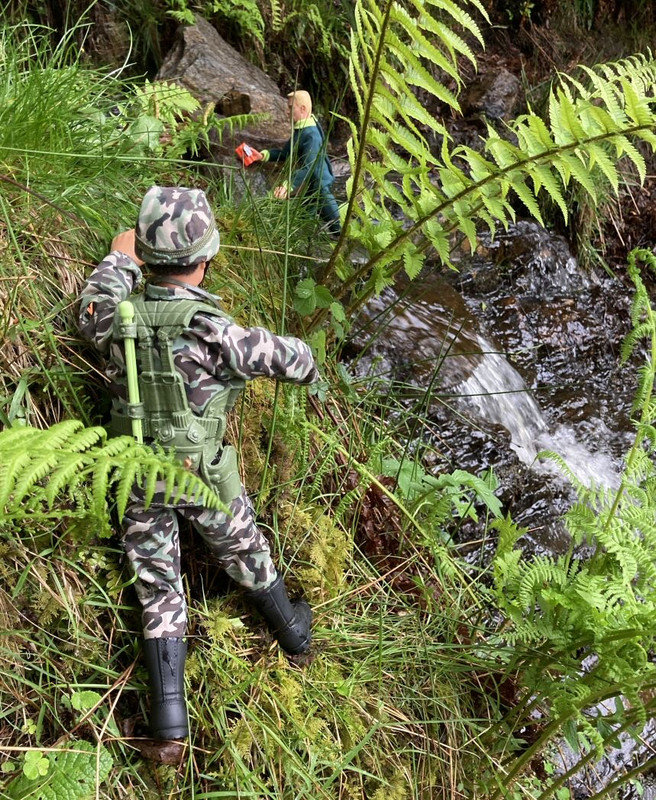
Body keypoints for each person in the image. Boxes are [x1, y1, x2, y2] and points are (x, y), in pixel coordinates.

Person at [77, 185, 319, 742]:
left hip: (137, 475)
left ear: (146, 255)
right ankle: (294, 633)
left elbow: (88, 312)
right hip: (205, 476)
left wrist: (119, 258)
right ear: (205, 259)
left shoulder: (118, 318)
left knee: (158, 585)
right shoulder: (217, 331)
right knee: (242, 546)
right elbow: (294, 360)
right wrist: (303, 356)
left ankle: (168, 722)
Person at [248, 90, 341, 235]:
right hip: (309, 187)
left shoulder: (311, 135)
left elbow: (308, 167)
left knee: (337, 225)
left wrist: (287, 186)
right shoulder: (301, 130)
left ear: (303, 109)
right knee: (301, 223)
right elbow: (286, 154)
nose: (287, 112)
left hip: (319, 186)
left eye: (291, 108)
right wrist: (262, 156)